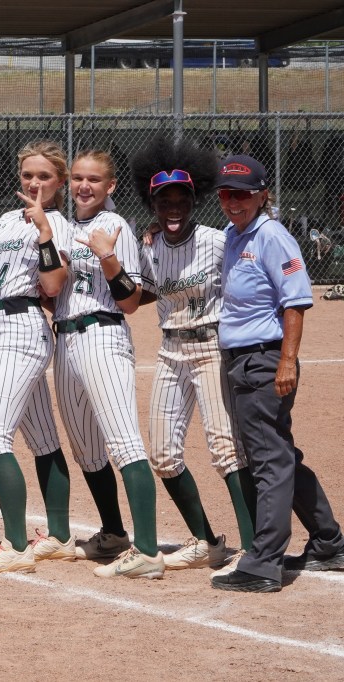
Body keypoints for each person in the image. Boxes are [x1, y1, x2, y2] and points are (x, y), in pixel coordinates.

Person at [210, 155, 344, 593]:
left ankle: (264, 561)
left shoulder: (272, 236)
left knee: (268, 459)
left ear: (263, 194)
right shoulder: (233, 234)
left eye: (243, 194)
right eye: (226, 194)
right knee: (279, 453)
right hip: (242, 359)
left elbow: (296, 302)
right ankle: (328, 543)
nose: (233, 202)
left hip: (263, 361)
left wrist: (287, 361)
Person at [129, 137, 254, 572]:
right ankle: (207, 541)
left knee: (225, 449)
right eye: (165, 201)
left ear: (195, 199)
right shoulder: (147, 246)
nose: (174, 207)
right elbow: (144, 291)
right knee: (162, 455)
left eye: (182, 199)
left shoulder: (218, 242)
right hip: (169, 351)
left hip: (211, 348)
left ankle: (254, 548)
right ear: (153, 203)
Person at [54, 149, 163, 580]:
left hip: (103, 334)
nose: (84, 186)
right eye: (78, 178)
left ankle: (148, 550)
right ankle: (114, 533)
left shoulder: (115, 226)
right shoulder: (63, 225)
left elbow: (132, 301)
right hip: (64, 338)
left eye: (94, 180)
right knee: (85, 446)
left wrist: (108, 256)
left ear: (110, 186)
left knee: (123, 442)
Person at [0, 141, 74, 572]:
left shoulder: (58, 223)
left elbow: (52, 286)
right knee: (43, 439)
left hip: (21, 327)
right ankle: (62, 537)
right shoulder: (4, 221)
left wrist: (45, 232)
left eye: (44, 176)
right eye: (28, 174)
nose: (34, 182)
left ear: (60, 182)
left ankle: (14, 547)